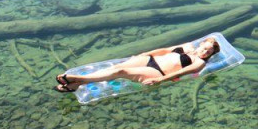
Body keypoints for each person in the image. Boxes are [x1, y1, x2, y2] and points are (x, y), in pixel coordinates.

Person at [54, 37, 221, 92]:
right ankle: (75, 85)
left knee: (121, 71)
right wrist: (146, 54)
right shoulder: (188, 46)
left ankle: (79, 80)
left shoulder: (199, 63)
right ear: (201, 44)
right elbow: (164, 50)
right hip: (150, 60)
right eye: (205, 48)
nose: (204, 52)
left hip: (159, 72)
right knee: (115, 67)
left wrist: (159, 81)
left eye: (209, 53)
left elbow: (178, 74)